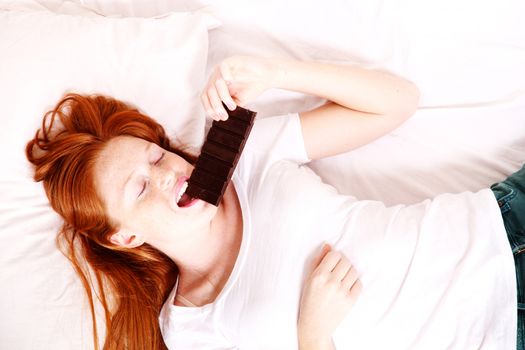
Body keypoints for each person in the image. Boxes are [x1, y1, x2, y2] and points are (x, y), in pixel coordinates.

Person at [25, 55, 520, 350]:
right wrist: (313, 335)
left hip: (499, 220)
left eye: (156, 158)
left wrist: (277, 72)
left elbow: (398, 101)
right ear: (126, 235)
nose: (167, 176)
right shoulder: (193, 330)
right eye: (138, 189)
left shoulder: (247, 155)